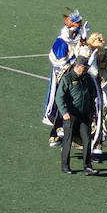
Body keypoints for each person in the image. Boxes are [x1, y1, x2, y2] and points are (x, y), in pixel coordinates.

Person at [44, 9, 89, 140]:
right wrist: (74, 63)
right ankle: (56, 130)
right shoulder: (61, 42)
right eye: (75, 29)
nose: (77, 32)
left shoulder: (77, 38)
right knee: (61, 101)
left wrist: (84, 40)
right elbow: (58, 62)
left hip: (75, 76)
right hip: (62, 77)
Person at [55, 56, 100, 175]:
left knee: (87, 140)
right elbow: (59, 97)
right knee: (67, 140)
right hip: (71, 115)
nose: (85, 70)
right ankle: (65, 166)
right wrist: (64, 112)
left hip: (85, 115)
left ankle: (87, 166)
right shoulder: (67, 79)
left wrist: (92, 111)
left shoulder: (87, 78)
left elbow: (92, 94)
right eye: (84, 68)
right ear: (78, 66)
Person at [85, 31, 107, 154]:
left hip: (103, 85)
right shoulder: (87, 53)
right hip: (91, 87)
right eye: (98, 40)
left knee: (106, 109)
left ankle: (105, 136)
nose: (101, 42)